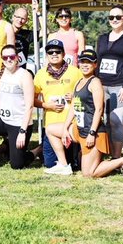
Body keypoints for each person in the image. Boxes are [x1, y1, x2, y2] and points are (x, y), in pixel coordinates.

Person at [67, 48, 123, 179]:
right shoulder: (78, 82)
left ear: (95, 65)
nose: (85, 65)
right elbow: (73, 107)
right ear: (78, 63)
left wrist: (92, 133)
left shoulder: (95, 82)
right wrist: (65, 128)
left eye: (89, 62)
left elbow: (99, 110)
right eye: (83, 62)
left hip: (93, 132)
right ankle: (65, 164)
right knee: (53, 130)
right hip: (80, 129)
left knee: (88, 174)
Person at [96, 4, 123, 159]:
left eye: (118, 17)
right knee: (106, 120)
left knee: (115, 120)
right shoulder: (102, 38)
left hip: (120, 85)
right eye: (111, 17)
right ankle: (108, 152)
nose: (114, 20)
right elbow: (98, 61)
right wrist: (95, 83)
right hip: (102, 85)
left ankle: (117, 157)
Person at [33, 38, 81, 175]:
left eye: (57, 51)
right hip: (50, 125)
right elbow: (33, 100)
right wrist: (46, 105)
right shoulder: (40, 74)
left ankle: (74, 158)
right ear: (47, 55)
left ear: (64, 53)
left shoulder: (75, 72)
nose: (54, 54)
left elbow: (85, 94)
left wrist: (74, 97)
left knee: (76, 164)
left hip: (70, 124)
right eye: (50, 52)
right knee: (49, 164)